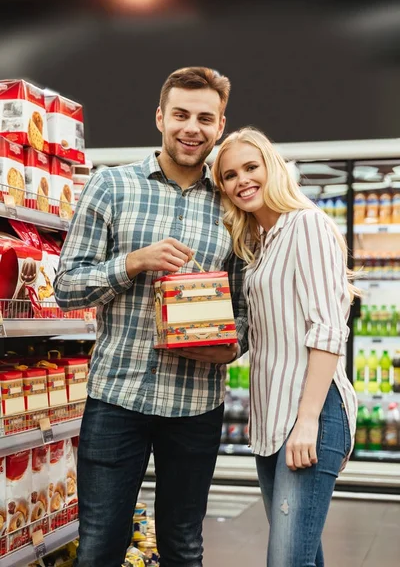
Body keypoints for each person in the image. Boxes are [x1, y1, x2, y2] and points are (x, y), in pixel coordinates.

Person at [54, 67, 248, 567]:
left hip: (196, 403)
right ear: (160, 117)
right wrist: (134, 261)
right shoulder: (110, 186)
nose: (192, 128)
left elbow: (245, 306)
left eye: (205, 118)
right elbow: (66, 288)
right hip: (117, 397)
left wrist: (233, 344)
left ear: (220, 125)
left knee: (184, 545)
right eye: (181, 114)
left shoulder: (233, 201)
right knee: (99, 544)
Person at [212, 127, 359, 567]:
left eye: (250, 168)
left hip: (311, 413)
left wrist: (308, 421)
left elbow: (328, 329)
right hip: (272, 420)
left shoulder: (306, 225)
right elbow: (258, 334)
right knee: (301, 556)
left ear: (272, 168)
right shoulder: (260, 245)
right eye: (230, 175)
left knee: (286, 560)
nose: (242, 181)